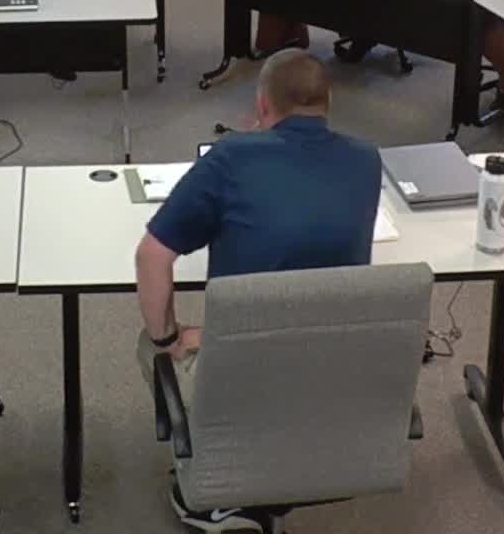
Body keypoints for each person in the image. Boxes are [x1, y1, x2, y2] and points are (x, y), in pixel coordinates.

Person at [132, 49, 381, 533]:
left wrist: (171, 339)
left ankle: (219, 493)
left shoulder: (231, 159)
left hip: (245, 372)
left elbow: (151, 257)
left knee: (152, 344)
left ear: (263, 105)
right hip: (335, 369)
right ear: (329, 103)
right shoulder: (367, 161)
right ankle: (290, 458)